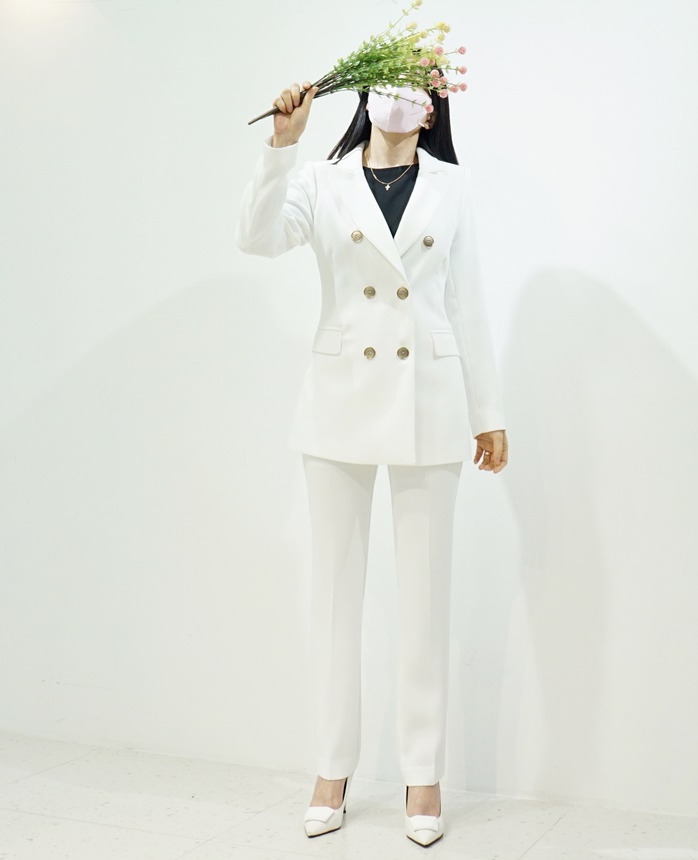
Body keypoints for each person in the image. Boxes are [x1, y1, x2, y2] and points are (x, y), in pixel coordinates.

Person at [237, 77, 508, 846]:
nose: (399, 98)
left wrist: (488, 412)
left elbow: (467, 302)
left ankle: (423, 776)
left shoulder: (454, 186)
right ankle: (331, 769)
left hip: (429, 400)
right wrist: (281, 148)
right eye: (387, 83)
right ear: (364, 96)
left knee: (424, 601)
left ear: (434, 107)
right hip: (339, 400)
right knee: (333, 601)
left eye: (416, 87)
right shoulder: (321, 179)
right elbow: (257, 239)